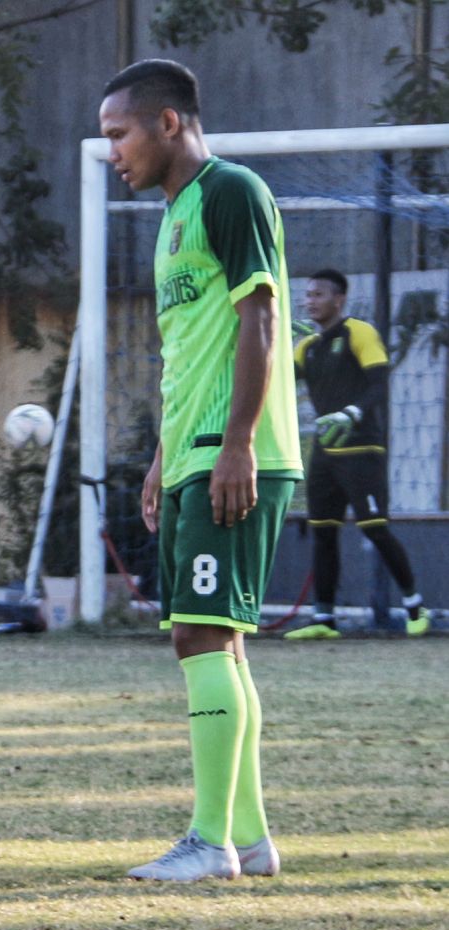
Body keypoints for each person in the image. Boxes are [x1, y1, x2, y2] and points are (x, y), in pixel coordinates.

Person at [100, 60, 303, 881]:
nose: (113, 151)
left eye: (120, 133)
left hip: (232, 451)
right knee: (220, 642)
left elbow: (262, 314)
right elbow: (192, 351)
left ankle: (208, 841)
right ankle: (248, 840)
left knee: (198, 634)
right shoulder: (174, 215)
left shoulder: (230, 191)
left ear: (168, 123)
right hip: (193, 453)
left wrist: (236, 442)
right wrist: (160, 458)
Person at [284, 269, 429, 640]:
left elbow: (380, 383)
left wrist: (353, 413)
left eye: (318, 295)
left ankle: (415, 606)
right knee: (323, 533)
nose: (309, 301)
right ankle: (324, 619)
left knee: (374, 527)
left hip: (362, 448)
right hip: (325, 451)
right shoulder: (307, 347)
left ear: (339, 299)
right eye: (308, 295)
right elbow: (275, 383)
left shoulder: (359, 333)